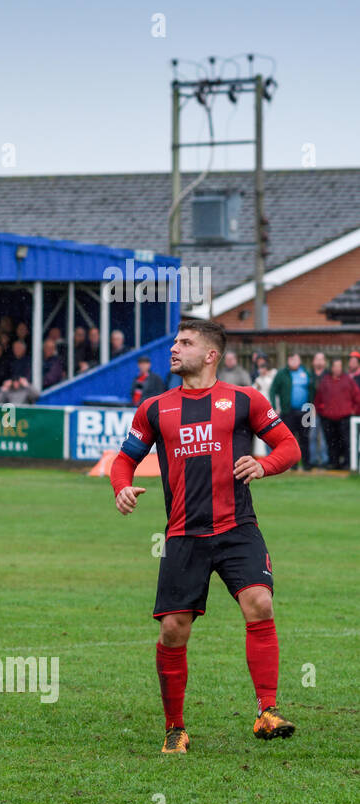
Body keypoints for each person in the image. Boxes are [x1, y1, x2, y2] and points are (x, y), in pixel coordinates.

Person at [111, 319, 301, 754]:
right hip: (183, 535)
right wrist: (120, 486)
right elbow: (124, 459)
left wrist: (263, 465)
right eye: (175, 342)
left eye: (185, 343)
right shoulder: (155, 408)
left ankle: (266, 712)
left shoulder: (243, 400)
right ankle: (175, 729)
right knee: (173, 632)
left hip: (238, 529)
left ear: (211, 355)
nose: (174, 349)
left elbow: (289, 447)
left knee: (260, 603)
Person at [314, 357, 360, 470]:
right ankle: (333, 463)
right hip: (328, 417)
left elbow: (357, 396)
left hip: (345, 417)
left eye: (340, 366)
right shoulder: (325, 380)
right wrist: (322, 410)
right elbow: (318, 398)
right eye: (336, 366)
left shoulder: (348, 380)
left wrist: (354, 410)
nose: (338, 368)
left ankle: (347, 463)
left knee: (346, 442)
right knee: (331, 442)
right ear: (332, 367)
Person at [270, 353, 313, 471]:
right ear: (288, 361)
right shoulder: (282, 374)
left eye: (296, 359)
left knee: (305, 437)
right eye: (291, 359)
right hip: (288, 412)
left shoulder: (306, 373)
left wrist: (312, 407)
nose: (293, 362)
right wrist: (274, 406)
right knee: (290, 439)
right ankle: (292, 465)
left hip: (305, 412)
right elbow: (273, 390)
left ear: (300, 361)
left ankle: (306, 464)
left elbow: (312, 390)